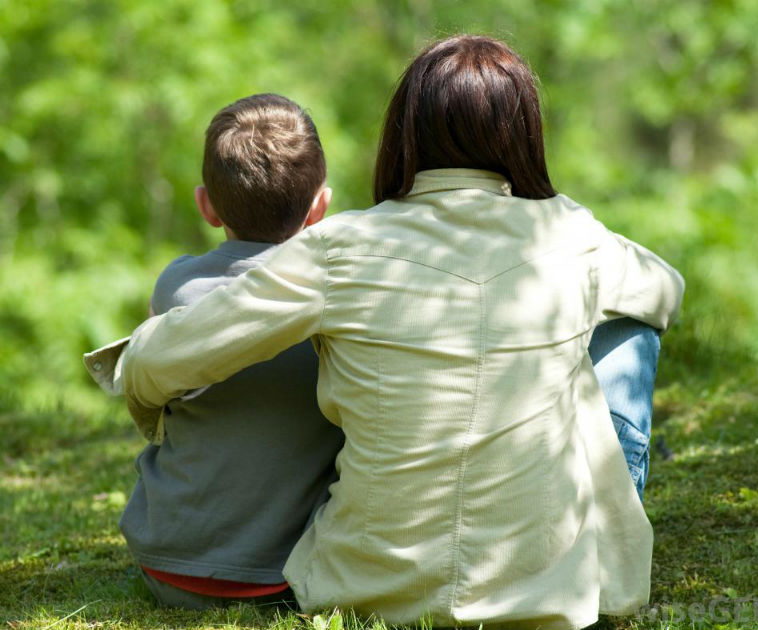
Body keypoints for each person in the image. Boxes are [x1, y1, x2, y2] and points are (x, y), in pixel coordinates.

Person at [112, 36, 685, 629]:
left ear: (404, 131)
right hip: (549, 592)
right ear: (524, 135)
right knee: (628, 328)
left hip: (370, 588)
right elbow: (663, 289)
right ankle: (601, 530)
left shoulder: (341, 247)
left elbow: (162, 359)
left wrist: (142, 390)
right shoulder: (570, 234)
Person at [84, 93, 344, 609]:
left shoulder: (177, 287)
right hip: (286, 575)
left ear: (206, 205)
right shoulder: (336, 307)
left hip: (167, 566)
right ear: (321, 206)